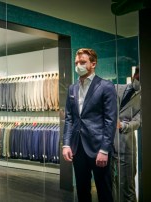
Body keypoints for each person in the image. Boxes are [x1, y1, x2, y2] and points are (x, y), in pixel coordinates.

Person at [62, 48, 117, 202]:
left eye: (82, 62)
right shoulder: (72, 88)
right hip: (77, 148)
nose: (78, 65)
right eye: (76, 63)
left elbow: (110, 120)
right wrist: (66, 144)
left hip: (99, 147)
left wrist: (105, 149)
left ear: (93, 64)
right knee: (82, 190)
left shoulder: (106, 86)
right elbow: (69, 118)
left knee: (104, 191)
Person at [112, 67, 141, 202]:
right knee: (108, 184)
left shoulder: (145, 98)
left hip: (126, 145)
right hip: (107, 144)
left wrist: (124, 125)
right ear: (135, 74)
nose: (138, 80)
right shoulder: (116, 87)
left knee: (127, 187)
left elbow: (139, 121)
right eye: (138, 77)